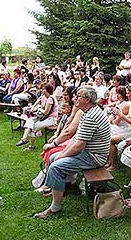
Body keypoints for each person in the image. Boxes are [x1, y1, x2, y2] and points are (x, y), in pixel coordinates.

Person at [33, 86, 111, 219]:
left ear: (87, 100)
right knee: (52, 158)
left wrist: (62, 155)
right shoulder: (89, 111)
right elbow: (76, 140)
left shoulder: (91, 116)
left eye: (78, 96)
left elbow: (78, 146)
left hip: (94, 157)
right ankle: (58, 190)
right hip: (89, 152)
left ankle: (55, 207)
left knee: (56, 165)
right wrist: (61, 153)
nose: (74, 98)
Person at [15, 83, 58, 151]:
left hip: (51, 119)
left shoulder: (51, 99)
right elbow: (39, 101)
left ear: (47, 90)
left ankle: (31, 146)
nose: (42, 90)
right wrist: (33, 107)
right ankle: (24, 139)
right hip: (43, 117)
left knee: (33, 126)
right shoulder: (44, 97)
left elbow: (46, 112)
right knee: (29, 120)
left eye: (43, 89)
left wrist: (39, 109)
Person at [106, 85, 131, 171]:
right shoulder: (129, 104)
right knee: (105, 134)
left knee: (109, 140)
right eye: (126, 93)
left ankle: (113, 164)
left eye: (128, 93)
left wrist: (121, 115)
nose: (127, 95)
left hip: (130, 131)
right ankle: (109, 161)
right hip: (127, 128)